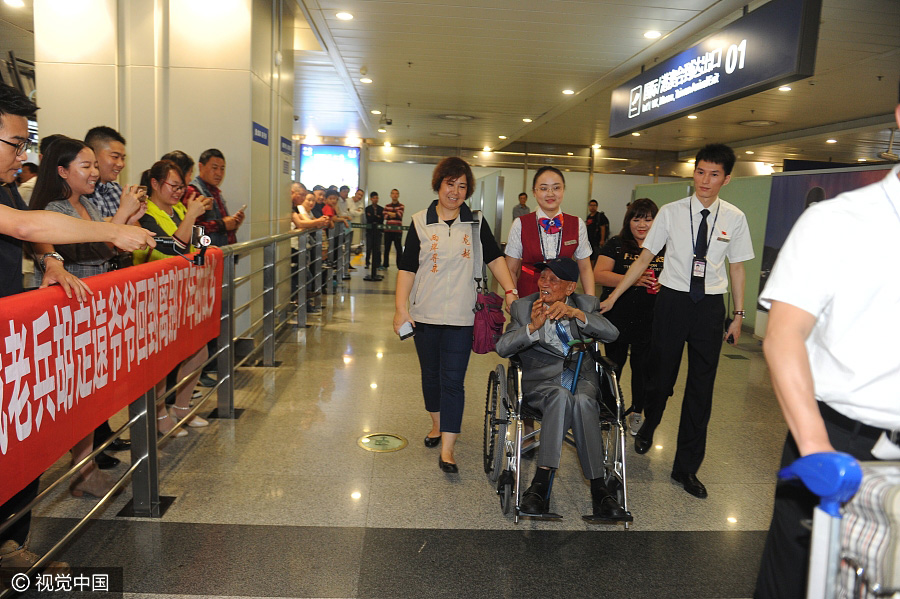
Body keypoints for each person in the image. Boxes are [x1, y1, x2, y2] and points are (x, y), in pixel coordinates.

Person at [0, 83, 154, 578]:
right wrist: (111, 229)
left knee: (22, 446)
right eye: (14, 144)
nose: (21, 156)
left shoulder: (4, 185)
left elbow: (31, 231)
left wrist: (50, 261)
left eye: (24, 145)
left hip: (11, 337)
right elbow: (26, 226)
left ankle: (9, 544)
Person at [753, 103, 900, 599]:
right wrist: (816, 447)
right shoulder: (838, 221)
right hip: (839, 442)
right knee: (797, 582)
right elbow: (783, 335)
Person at [598, 143, 753, 499]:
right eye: (700, 172)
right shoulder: (670, 212)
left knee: (701, 389)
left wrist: (738, 316)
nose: (705, 180)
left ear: (726, 179)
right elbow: (643, 259)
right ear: (694, 172)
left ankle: (686, 469)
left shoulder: (734, 218)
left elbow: (738, 268)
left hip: (710, 307)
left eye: (714, 175)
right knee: (658, 376)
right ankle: (651, 421)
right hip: (671, 302)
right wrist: (614, 296)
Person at [393, 157, 517, 472]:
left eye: (462, 186)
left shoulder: (475, 222)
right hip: (425, 315)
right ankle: (436, 424)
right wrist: (400, 309)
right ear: (439, 184)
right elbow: (407, 269)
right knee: (431, 376)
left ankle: (448, 448)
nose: (455, 191)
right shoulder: (420, 221)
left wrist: (511, 290)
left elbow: (494, 258)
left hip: (463, 316)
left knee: (453, 381)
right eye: (451, 184)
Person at [496, 258, 626, 521]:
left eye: (553, 280)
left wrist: (578, 315)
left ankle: (598, 489)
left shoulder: (585, 305)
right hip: (541, 383)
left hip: (581, 379)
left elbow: (612, 334)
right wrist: (532, 328)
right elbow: (503, 347)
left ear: (569, 288)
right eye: (542, 277)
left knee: (583, 401)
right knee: (559, 395)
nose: (544, 284)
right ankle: (542, 483)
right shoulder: (523, 307)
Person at [137, 160, 212, 435]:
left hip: (183, 291)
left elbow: (192, 244)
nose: (178, 192)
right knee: (162, 360)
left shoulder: (179, 208)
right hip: (154, 294)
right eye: (173, 186)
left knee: (198, 349)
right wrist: (192, 214)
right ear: (155, 184)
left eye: (182, 186)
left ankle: (182, 408)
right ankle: (158, 416)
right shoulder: (146, 213)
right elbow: (173, 248)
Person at [594, 199, 664, 436]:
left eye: (648, 219)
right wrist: (634, 279)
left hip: (651, 318)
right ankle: (607, 409)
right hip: (618, 316)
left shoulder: (664, 245)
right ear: (628, 221)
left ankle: (636, 412)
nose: (642, 224)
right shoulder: (616, 244)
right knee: (613, 365)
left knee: (643, 369)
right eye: (637, 219)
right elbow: (599, 275)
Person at [505, 166, 595, 298]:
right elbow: (510, 269)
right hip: (528, 297)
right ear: (534, 192)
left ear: (563, 190)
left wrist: (590, 301)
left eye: (556, 188)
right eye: (543, 188)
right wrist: (512, 297)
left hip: (563, 300)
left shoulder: (577, 224)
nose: (550, 193)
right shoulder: (520, 223)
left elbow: (586, 268)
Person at [188, 148, 245, 247]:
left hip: (223, 255)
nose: (219, 173)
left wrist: (233, 223)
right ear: (201, 167)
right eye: (214, 168)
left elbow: (221, 228)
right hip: (206, 257)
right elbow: (191, 229)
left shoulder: (215, 192)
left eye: (222, 169)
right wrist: (221, 224)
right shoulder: (194, 192)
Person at [381, 188, 404, 269]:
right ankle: (385, 265)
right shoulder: (387, 206)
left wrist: (390, 213)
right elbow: (385, 216)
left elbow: (399, 215)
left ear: (398, 195)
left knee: (398, 249)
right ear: (390, 195)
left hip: (397, 231)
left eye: (396, 193)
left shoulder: (401, 206)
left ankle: (400, 266)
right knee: (386, 248)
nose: (395, 195)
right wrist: (393, 214)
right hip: (388, 231)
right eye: (393, 193)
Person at [365, 190, 383, 269]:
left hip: (378, 231)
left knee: (378, 248)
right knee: (369, 248)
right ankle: (367, 263)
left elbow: (381, 220)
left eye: (376, 198)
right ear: (371, 199)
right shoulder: (367, 209)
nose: (375, 199)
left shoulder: (381, 209)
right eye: (373, 198)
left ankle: (378, 263)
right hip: (369, 231)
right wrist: (376, 217)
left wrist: (374, 217)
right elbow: (369, 219)